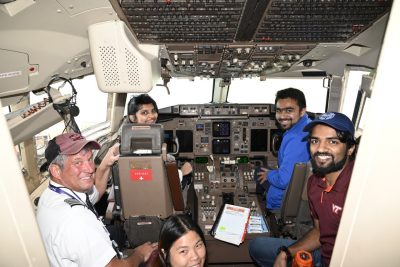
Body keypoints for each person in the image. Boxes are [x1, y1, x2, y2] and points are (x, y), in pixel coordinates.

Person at [249, 112, 357, 267]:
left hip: (345, 259)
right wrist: (287, 252)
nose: (321, 149)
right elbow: (320, 231)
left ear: (350, 148)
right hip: (324, 252)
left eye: (332, 142)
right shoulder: (314, 182)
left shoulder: (358, 188)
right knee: (256, 246)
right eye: (315, 141)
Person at [36, 132, 157, 266]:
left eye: (89, 159)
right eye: (78, 162)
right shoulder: (76, 219)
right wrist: (139, 254)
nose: (90, 168)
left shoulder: (53, 195)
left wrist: (106, 163)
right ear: (56, 170)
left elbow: (97, 192)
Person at [256, 88, 311, 210]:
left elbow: (283, 181)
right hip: (300, 188)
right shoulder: (306, 125)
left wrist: (270, 174)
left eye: (289, 110)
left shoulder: (298, 139)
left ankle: (267, 210)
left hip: (287, 199)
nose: (282, 116)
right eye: (279, 111)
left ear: (302, 111)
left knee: (258, 172)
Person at [127, 94, 193, 185]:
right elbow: (147, 177)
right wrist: (182, 172)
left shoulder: (134, 138)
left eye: (153, 111)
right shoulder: (138, 145)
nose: (152, 116)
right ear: (133, 118)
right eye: (144, 113)